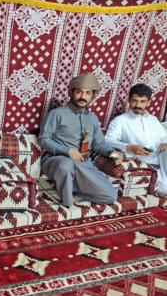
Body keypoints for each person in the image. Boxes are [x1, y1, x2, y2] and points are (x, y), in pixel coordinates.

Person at [38, 72, 123, 207]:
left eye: (88, 93)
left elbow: (98, 144)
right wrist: (68, 151)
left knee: (110, 196)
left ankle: (66, 186)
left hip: (84, 163)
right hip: (57, 161)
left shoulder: (93, 118)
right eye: (79, 92)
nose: (83, 96)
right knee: (66, 164)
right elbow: (43, 139)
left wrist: (112, 152)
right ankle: (67, 200)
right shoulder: (57, 114)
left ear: (92, 95)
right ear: (72, 92)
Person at [105, 83, 167, 195]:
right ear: (129, 100)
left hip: (162, 158)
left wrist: (165, 143)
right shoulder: (121, 120)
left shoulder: (153, 119)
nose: (138, 105)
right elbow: (108, 141)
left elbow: (164, 137)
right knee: (165, 187)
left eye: (142, 102)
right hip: (142, 162)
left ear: (149, 102)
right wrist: (130, 147)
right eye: (134, 101)